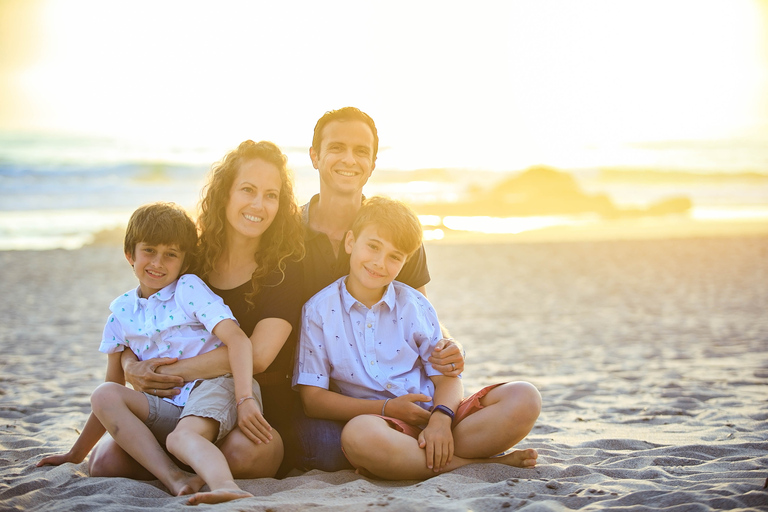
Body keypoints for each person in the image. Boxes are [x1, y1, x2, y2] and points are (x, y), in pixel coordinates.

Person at [87, 141, 305, 481]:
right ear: (225, 194)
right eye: (247, 190)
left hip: (249, 408)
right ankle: (177, 470)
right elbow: (144, 323)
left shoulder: (284, 270)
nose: (258, 205)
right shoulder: (192, 259)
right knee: (104, 464)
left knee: (244, 454)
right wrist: (132, 368)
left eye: (271, 195)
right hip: (177, 404)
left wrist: (161, 376)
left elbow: (259, 356)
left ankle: (192, 462)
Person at [294, 197, 541, 480]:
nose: (379, 263)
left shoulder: (413, 304)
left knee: (525, 397)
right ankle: (477, 464)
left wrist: (441, 419)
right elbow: (312, 400)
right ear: (351, 242)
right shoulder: (318, 311)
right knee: (357, 435)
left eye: (394, 256)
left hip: (441, 420)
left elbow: (446, 377)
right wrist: (387, 408)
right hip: (382, 426)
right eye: (373, 246)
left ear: (405, 262)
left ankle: (424, 456)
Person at [38, 202, 265, 505]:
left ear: (184, 263)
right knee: (103, 395)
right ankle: (175, 477)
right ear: (130, 254)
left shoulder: (188, 288)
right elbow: (114, 391)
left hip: (214, 387)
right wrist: (76, 454)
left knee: (183, 436)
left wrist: (245, 399)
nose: (158, 262)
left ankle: (226, 486)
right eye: (149, 251)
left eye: (170, 254)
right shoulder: (120, 313)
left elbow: (238, 340)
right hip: (169, 405)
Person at [295, 107, 467, 471]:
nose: (349, 159)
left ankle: (427, 447)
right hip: (329, 399)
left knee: (513, 401)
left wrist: (448, 348)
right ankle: (462, 459)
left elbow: (420, 315)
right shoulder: (287, 236)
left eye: (361, 151)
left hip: (408, 394)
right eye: (336, 147)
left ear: (372, 163)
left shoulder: (396, 234)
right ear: (315, 155)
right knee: (328, 449)